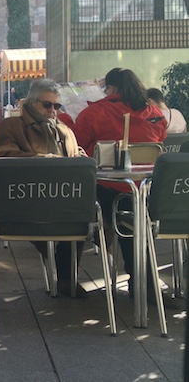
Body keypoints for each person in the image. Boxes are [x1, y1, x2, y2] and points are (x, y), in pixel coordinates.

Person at [74, 68, 166, 301]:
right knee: (132, 215)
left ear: (112, 88)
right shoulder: (155, 113)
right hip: (148, 192)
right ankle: (143, 283)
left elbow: (79, 147)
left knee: (75, 205)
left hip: (107, 191)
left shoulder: (94, 113)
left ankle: (66, 277)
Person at [0, 79, 88, 298]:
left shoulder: (64, 129)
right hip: (26, 197)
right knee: (61, 218)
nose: (53, 110)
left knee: (85, 213)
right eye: (47, 105)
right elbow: (4, 157)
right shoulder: (11, 126)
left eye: (57, 106)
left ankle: (66, 278)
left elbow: (77, 155)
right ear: (32, 103)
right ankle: (64, 274)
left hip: (62, 196)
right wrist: (47, 160)